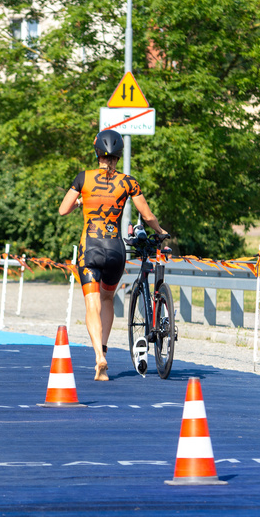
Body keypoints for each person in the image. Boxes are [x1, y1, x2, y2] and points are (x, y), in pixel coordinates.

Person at [59, 129, 168, 381]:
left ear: (97, 153)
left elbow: (63, 209)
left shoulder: (83, 178)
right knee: (108, 300)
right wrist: (160, 231)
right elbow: (148, 215)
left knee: (92, 303)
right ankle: (105, 346)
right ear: (118, 156)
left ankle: (99, 356)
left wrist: (79, 202)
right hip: (115, 250)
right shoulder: (128, 182)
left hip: (90, 249)